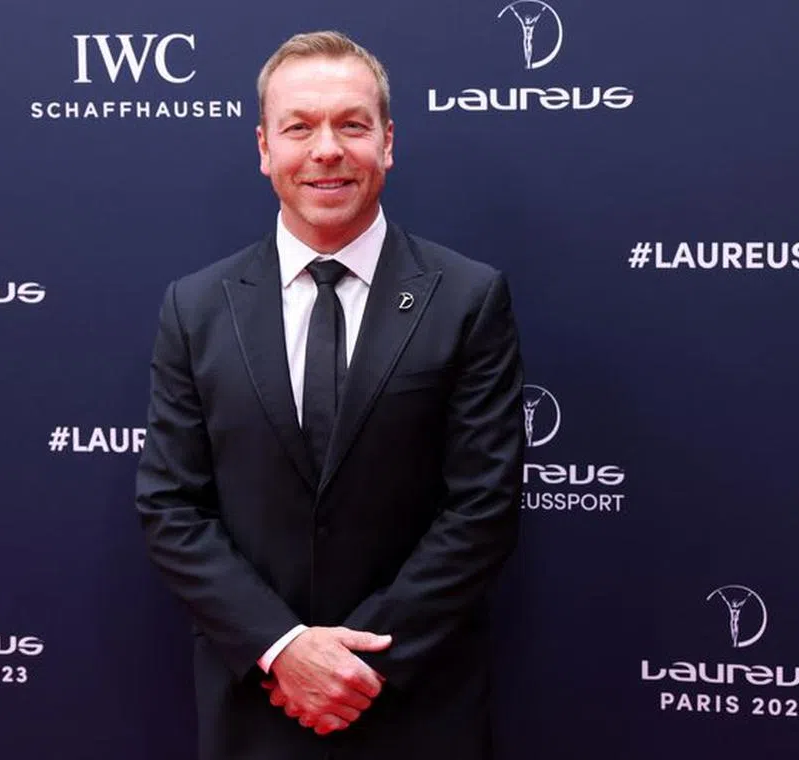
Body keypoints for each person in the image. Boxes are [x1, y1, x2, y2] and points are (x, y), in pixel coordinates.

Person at [136, 30, 524, 760]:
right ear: (263, 148)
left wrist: (358, 667)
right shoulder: (195, 308)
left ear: (387, 143)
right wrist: (283, 649)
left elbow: (483, 507)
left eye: (352, 123)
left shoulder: (469, 298)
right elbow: (171, 507)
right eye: (299, 127)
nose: (326, 150)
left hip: (417, 705)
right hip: (256, 704)